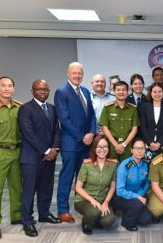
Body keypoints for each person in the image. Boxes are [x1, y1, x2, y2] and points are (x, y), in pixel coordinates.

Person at [18, 79, 62, 237]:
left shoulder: (52, 108)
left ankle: (44, 213)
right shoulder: (25, 109)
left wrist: (54, 149)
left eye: (45, 89)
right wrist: (46, 150)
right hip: (31, 158)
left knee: (46, 187)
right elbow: (28, 133)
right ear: (32, 91)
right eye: (39, 89)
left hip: (49, 157)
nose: (42, 92)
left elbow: (57, 130)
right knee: (29, 190)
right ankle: (27, 221)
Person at [54, 62, 97, 223]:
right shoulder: (62, 92)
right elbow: (64, 119)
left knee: (83, 178)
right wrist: (82, 136)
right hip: (71, 143)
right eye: (74, 73)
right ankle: (62, 210)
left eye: (80, 73)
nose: (77, 75)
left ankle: (82, 206)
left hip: (86, 144)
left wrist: (92, 133)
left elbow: (92, 115)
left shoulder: (85, 91)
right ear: (68, 73)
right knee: (67, 177)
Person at [0, 76, 22, 239]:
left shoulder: (19, 108)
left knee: (16, 186)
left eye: (10, 85)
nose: (7, 88)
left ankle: (16, 216)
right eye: (3, 86)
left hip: (17, 151)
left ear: (14, 88)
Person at [74, 135, 118, 235]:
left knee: (109, 220)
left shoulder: (113, 165)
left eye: (105, 147)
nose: (102, 150)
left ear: (108, 148)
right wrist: (93, 200)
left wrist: (106, 202)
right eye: (99, 147)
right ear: (94, 148)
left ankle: (94, 219)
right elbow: (78, 187)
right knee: (94, 212)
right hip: (84, 200)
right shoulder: (87, 164)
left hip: (102, 200)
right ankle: (86, 223)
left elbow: (112, 186)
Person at [113, 138, 152, 231]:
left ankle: (129, 210)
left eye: (142, 148)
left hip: (138, 195)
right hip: (121, 197)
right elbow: (120, 191)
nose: (139, 151)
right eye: (136, 148)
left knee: (146, 220)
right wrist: (137, 197)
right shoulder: (124, 166)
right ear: (131, 150)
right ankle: (127, 223)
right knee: (137, 205)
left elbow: (147, 183)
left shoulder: (146, 164)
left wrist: (140, 194)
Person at [100, 81, 140, 162]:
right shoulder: (107, 108)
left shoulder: (133, 109)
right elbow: (105, 128)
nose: (121, 92)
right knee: (111, 171)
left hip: (128, 146)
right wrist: (116, 145)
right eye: (118, 90)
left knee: (126, 170)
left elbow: (134, 129)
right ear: (114, 91)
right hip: (111, 145)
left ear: (128, 91)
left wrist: (124, 144)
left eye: (123, 90)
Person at [138, 83, 163, 160]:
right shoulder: (144, 107)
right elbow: (142, 127)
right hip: (147, 144)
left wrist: (159, 143)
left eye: (159, 91)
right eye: (154, 92)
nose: (157, 94)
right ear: (150, 93)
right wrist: (150, 142)